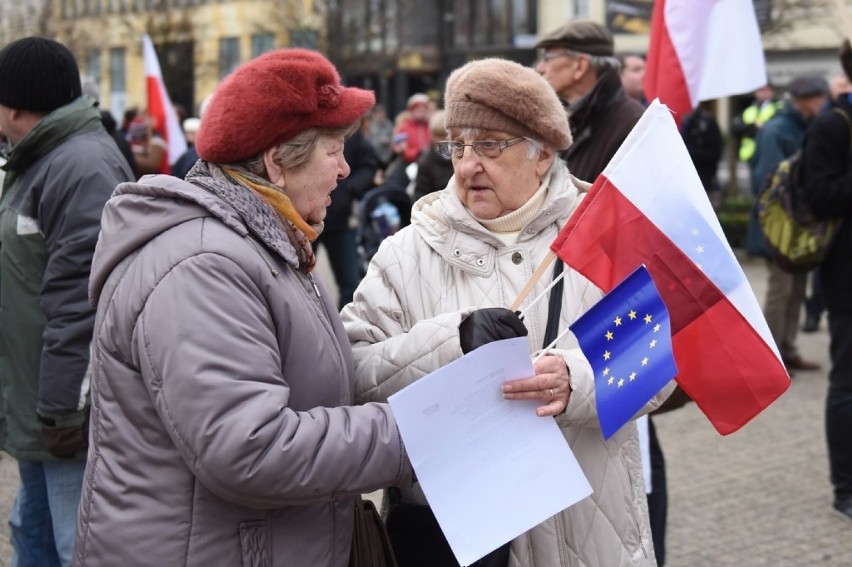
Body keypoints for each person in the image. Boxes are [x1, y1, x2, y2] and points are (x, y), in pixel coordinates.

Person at [74, 48, 413, 565]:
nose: (346, 169)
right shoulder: (204, 264)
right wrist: (416, 430)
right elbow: (250, 448)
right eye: (334, 150)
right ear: (278, 163)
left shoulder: (265, 243)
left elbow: (312, 380)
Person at [342, 57, 674, 567]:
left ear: (542, 155)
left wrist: (575, 381)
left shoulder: (599, 237)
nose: (467, 164)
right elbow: (353, 373)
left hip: (588, 537)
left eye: (490, 146)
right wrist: (450, 343)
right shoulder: (405, 253)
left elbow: (657, 367)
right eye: (458, 145)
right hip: (458, 541)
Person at [0, 37, 135, 567]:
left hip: (67, 416)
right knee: (30, 533)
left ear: (14, 106)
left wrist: (61, 413)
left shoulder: (80, 168)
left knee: (73, 545)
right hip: (39, 403)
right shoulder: (40, 160)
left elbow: (84, 304)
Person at [801, 39, 852, 523]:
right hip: (847, 281)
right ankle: (845, 486)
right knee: (848, 386)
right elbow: (820, 194)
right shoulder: (832, 126)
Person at [751, 75, 827, 374]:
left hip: (795, 227)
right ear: (806, 100)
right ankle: (770, 356)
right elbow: (769, 182)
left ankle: (788, 348)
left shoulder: (801, 127)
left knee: (796, 289)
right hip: (779, 228)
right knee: (780, 290)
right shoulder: (777, 130)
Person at [534, 20, 645, 183]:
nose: (540, 68)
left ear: (580, 66)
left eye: (548, 58)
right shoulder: (564, 118)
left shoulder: (632, 124)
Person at [315, 116, 381, 308]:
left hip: (341, 222)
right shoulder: (306, 130)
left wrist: (351, 188)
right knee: (298, 283)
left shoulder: (348, 133)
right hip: (305, 220)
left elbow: (369, 164)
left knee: (350, 284)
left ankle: (343, 332)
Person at [681, 101, 724, 211]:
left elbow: (715, 153)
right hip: (683, 184)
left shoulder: (707, 121)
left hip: (703, 182)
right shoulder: (678, 120)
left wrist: (688, 152)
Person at [413, 109, 454, 201]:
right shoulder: (425, 162)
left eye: (445, 135)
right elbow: (420, 196)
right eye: (437, 135)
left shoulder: (460, 156)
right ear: (431, 135)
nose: (442, 140)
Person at [395, 93, 432, 164]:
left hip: (428, 164)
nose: (421, 112)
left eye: (423, 110)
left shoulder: (430, 126)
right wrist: (418, 153)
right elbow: (399, 148)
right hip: (409, 163)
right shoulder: (404, 127)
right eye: (418, 110)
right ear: (412, 111)